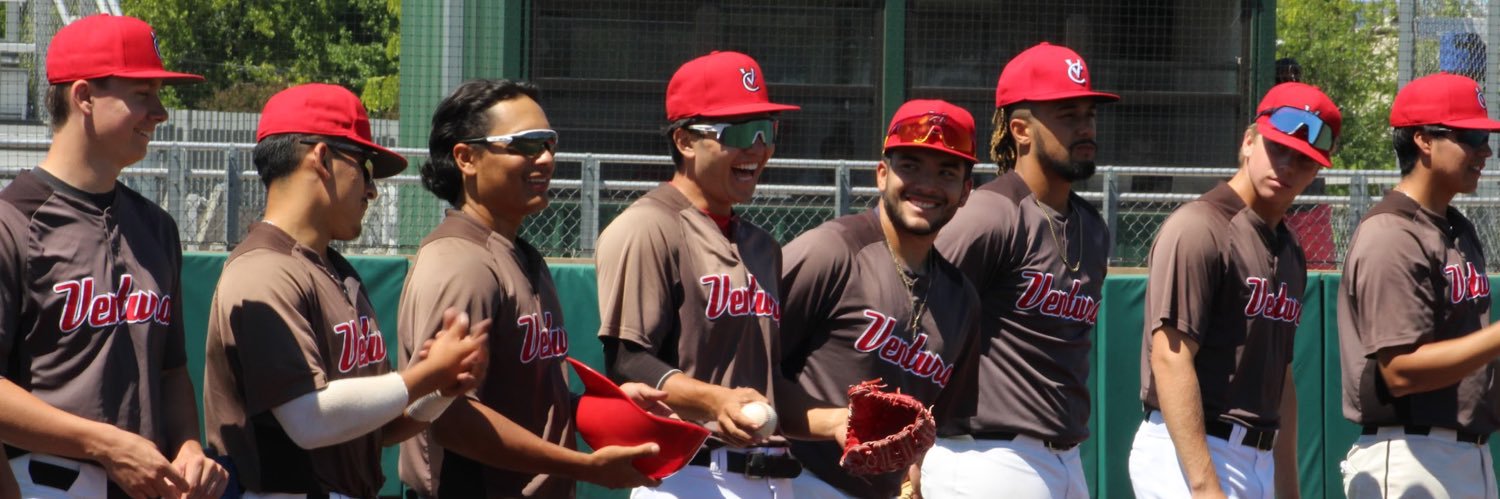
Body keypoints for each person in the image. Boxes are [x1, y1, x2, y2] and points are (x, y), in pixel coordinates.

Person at [203, 83, 488, 498]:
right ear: (322, 158)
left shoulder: (337, 271)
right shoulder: (262, 271)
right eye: (364, 167)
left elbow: (376, 426)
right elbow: (309, 421)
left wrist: (439, 391)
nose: (371, 189)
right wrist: (423, 376)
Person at [397, 78, 669, 497]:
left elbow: (526, 402)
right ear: (466, 158)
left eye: (549, 143)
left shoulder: (519, 254)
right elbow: (451, 418)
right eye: (525, 144)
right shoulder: (460, 263)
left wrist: (602, 408)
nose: (545, 158)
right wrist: (585, 467)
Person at [595, 50, 845, 499]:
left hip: (772, 477)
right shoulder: (647, 227)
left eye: (767, 130)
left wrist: (840, 422)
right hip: (688, 475)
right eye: (741, 132)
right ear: (685, 141)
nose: (758, 149)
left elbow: (766, 386)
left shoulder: (763, 247)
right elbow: (627, 361)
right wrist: (714, 400)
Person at [0, 14, 228, 499]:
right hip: (45, 483)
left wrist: (189, 446)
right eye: (142, 94)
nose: (159, 112)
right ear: (84, 96)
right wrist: (103, 444)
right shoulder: (13, 221)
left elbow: (170, 371)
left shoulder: (157, 227)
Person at [1129, 82, 1341, 499]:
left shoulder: (1290, 250)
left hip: (1258, 456)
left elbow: (1281, 379)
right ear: (1248, 142)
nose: (1288, 166)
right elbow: (1170, 357)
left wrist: (1289, 488)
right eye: (1278, 148)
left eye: (1304, 158)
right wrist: (1206, 487)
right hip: (1190, 451)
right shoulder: (1200, 227)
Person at [927, 41, 1117, 498]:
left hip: (1067, 457)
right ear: (1021, 130)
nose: (1085, 127)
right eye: (1067, 115)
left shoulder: (1091, 226)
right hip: (986, 456)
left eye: (1089, 114)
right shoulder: (990, 214)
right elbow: (919, 323)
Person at [779, 99, 983, 498]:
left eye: (946, 172)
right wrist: (831, 422)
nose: (927, 185)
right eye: (911, 166)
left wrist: (920, 467)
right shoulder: (831, 251)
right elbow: (745, 368)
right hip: (796, 480)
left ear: (965, 191)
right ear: (882, 174)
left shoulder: (963, 299)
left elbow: (945, 421)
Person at [1339, 72, 1500, 498]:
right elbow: (1400, 371)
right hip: (1409, 455)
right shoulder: (1392, 233)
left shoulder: (1458, 228)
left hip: (1467, 453)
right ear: (1424, 140)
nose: (1485, 151)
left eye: (1486, 138)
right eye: (1470, 136)